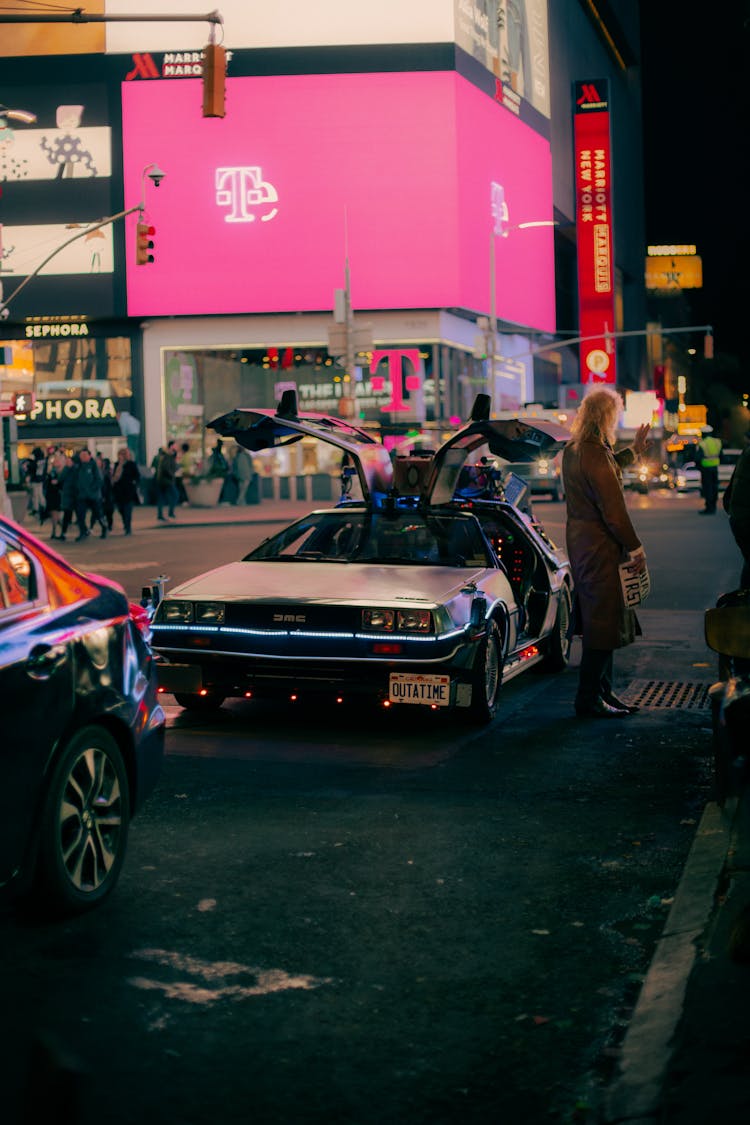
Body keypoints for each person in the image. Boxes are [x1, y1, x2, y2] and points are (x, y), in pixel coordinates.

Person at [562, 387, 651, 718]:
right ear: (605, 416)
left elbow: (608, 467)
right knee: (602, 624)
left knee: (603, 621)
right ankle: (588, 699)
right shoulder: (595, 454)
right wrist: (635, 546)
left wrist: (634, 451)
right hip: (599, 548)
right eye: (615, 413)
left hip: (583, 544)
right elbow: (614, 511)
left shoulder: (576, 450)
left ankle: (603, 692)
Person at [723, 429, 750, 588]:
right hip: (744, 519)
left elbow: (730, 492)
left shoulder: (746, 453)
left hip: (738, 517)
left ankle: (744, 602)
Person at [72, 447, 107, 540]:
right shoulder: (78, 466)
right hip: (81, 496)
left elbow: (99, 480)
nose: (83, 457)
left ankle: (104, 527)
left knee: (98, 514)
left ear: (89, 456)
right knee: (80, 515)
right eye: (81, 455)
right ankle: (83, 532)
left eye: (85, 455)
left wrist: (93, 489)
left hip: (93, 496)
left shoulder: (93, 466)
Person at [111, 447, 141, 535]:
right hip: (118, 491)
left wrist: (135, 484)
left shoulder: (131, 464)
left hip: (128, 491)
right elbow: (114, 477)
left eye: (123, 455)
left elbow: (137, 476)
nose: (121, 457)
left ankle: (128, 527)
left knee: (127, 510)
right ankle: (125, 523)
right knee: (121, 509)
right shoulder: (117, 465)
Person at [697, 425, 722, 514]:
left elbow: (698, 458)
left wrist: (699, 467)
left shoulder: (702, 444)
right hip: (715, 468)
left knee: (707, 488)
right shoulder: (718, 442)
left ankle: (709, 508)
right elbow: (721, 456)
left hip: (706, 469)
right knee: (714, 487)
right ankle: (713, 506)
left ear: (703, 433)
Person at [43, 450, 66, 540]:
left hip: (56, 495)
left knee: (55, 513)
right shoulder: (52, 472)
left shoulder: (61, 473)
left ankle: (56, 530)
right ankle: (61, 529)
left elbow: (60, 484)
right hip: (51, 494)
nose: (55, 463)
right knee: (53, 514)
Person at [155, 440, 179, 520]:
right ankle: (170, 513)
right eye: (175, 446)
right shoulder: (167, 456)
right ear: (171, 446)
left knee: (162, 497)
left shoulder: (168, 456)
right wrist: (172, 475)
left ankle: (161, 514)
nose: (177, 447)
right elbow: (166, 468)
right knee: (175, 495)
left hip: (163, 480)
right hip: (166, 480)